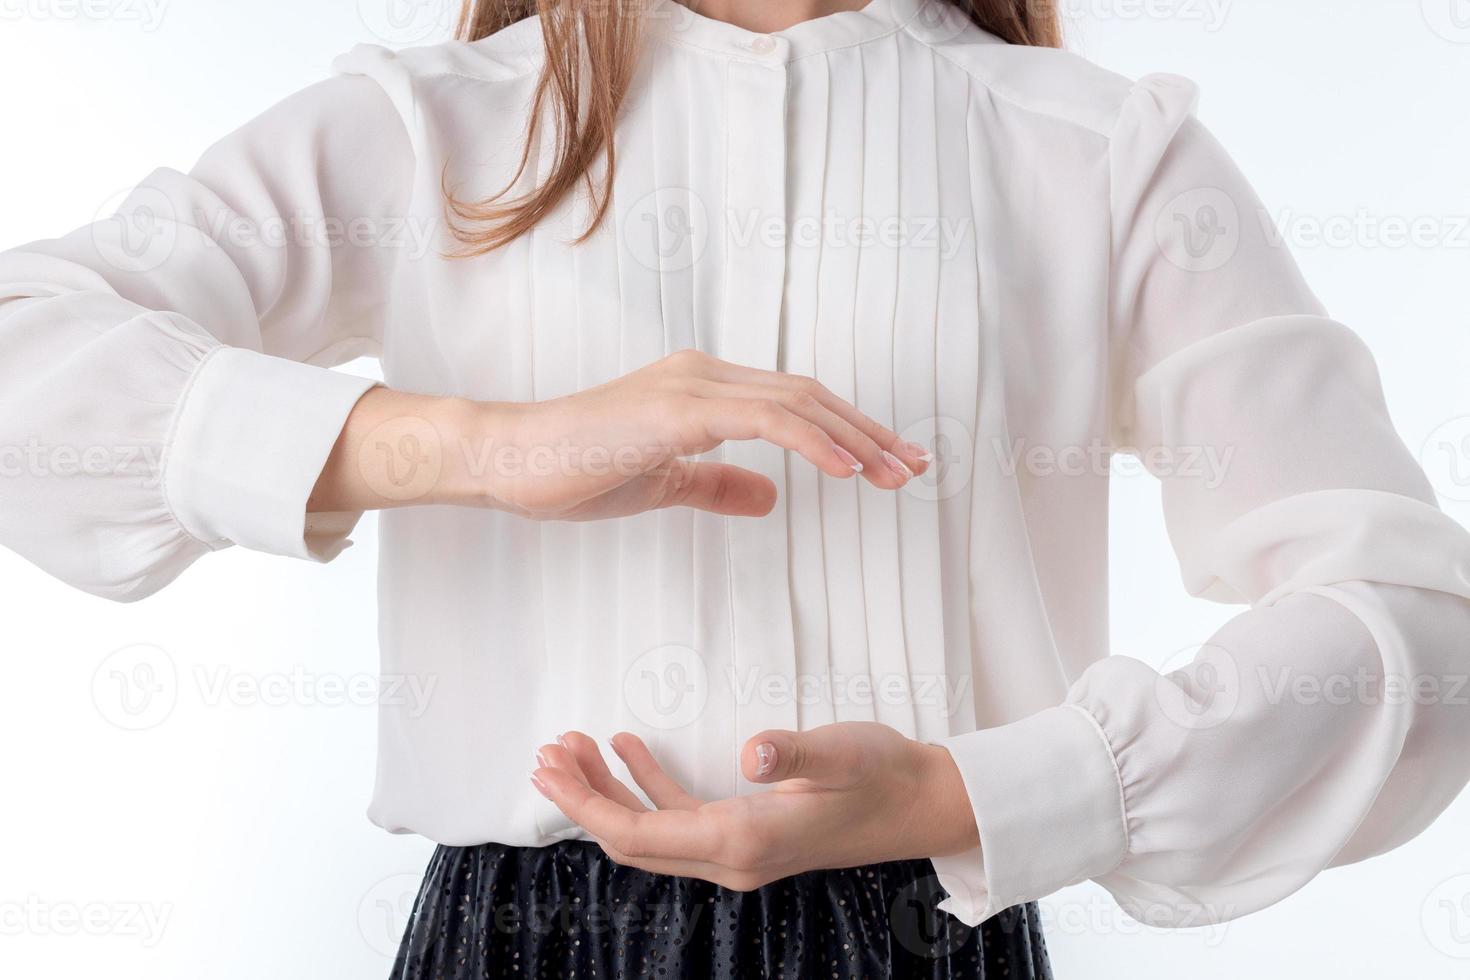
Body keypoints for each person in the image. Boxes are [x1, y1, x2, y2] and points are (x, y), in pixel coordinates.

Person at [3, 1, 1469, 977]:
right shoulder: (424, 128)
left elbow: (1416, 627)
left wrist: (994, 788)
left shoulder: (1103, 152)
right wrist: (468, 445)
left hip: (928, 927)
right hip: (520, 941)